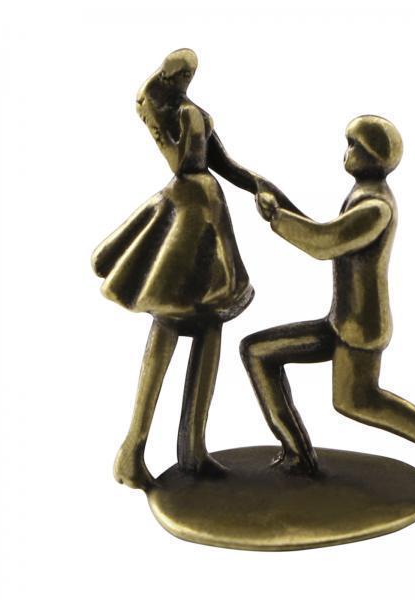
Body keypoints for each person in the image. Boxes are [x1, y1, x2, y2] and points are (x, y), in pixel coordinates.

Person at [240, 115, 415, 500]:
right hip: (341, 321)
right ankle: (298, 455)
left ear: (373, 155)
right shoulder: (362, 197)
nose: (346, 153)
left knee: (357, 402)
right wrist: (278, 200)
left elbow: (324, 243)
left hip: (361, 327)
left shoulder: (375, 208)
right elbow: (323, 230)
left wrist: (276, 218)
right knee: (258, 351)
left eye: (353, 146)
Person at [92, 49, 283, 489]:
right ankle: (133, 449)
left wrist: (257, 184)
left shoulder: (191, 113)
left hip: (206, 212)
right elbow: (186, 164)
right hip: (188, 213)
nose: (186, 79)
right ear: (167, 78)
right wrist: (187, 127)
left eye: (188, 74)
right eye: (180, 74)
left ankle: (192, 447)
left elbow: (222, 163)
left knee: (211, 323)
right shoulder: (175, 117)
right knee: (171, 319)